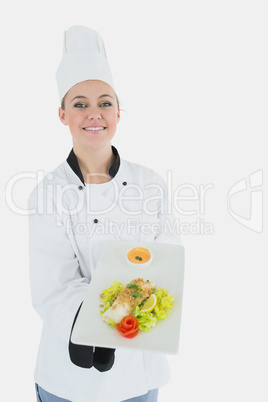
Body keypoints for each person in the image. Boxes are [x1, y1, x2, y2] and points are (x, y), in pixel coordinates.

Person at [28, 25, 181, 402]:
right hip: (70, 373)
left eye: (105, 102)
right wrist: (98, 327)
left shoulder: (150, 184)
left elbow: (166, 265)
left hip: (137, 373)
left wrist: (121, 317)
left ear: (118, 112)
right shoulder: (48, 195)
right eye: (80, 104)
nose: (93, 114)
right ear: (62, 114)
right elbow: (55, 288)